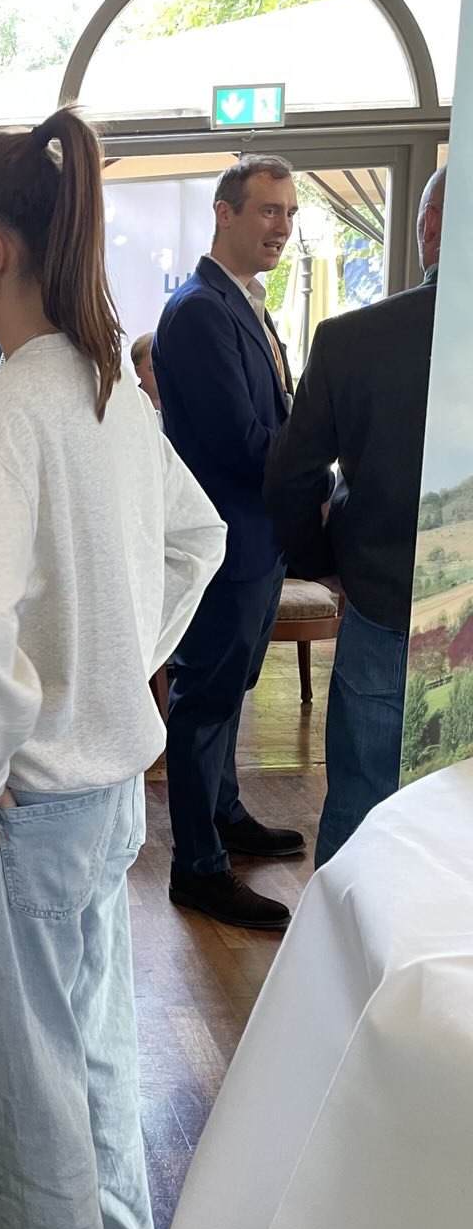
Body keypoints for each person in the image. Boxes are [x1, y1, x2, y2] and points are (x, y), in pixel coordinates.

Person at [0, 108, 226, 1229]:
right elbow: (192, 543)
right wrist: (114, 672)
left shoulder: (6, 416)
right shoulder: (107, 396)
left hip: (21, 813)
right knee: (93, 1049)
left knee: (29, 1089)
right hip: (102, 803)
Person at [264, 165, 446, 866]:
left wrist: (320, 562)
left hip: (386, 608)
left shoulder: (353, 340)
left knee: (365, 811)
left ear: (429, 229)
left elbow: (291, 477)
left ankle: (347, 973)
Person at [152, 156, 306, 930]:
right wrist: (315, 446)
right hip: (225, 541)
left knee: (227, 696)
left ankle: (228, 815)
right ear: (224, 212)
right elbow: (243, 443)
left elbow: (270, 415)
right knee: (203, 703)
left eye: (288, 213)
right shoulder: (201, 311)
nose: (281, 226)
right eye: (267, 211)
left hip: (258, 537)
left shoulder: (243, 302)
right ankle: (198, 868)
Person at [129, 330, 161, 415]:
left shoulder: (181, 403)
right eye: (152, 369)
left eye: (164, 368)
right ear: (137, 371)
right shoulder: (128, 406)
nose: (160, 374)